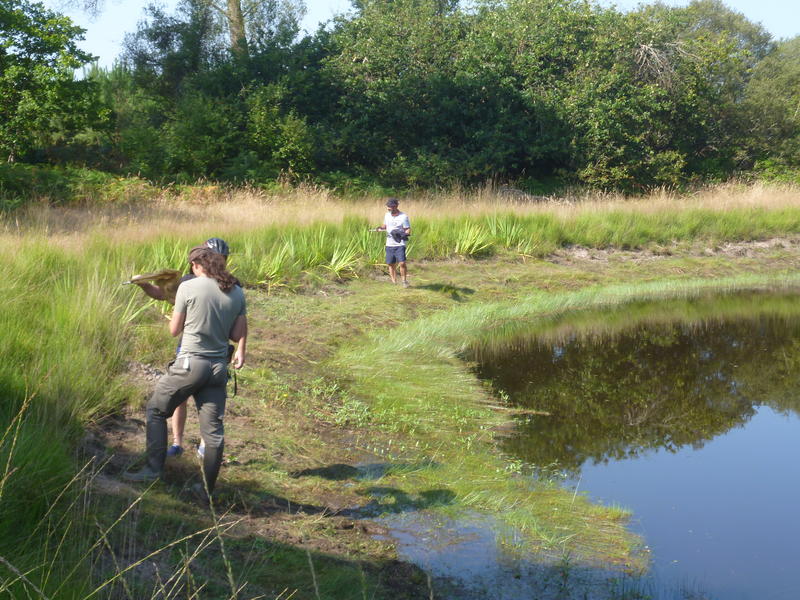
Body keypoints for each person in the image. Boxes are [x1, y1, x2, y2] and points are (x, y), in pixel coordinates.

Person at [124, 247, 247, 500]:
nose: (191, 268)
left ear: (197, 265)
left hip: (190, 364)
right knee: (213, 433)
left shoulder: (187, 288)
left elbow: (173, 330)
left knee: (156, 410)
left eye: (192, 264)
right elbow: (236, 335)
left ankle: (152, 470)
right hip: (217, 370)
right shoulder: (236, 292)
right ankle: (206, 490)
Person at [134, 237, 231, 459]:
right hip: (190, 349)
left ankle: (205, 448)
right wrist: (146, 285)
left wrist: (240, 347)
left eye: (223, 259)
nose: (219, 263)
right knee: (181, 398)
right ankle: (177, 443)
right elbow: (165, 295)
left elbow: (238, 322)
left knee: (210, 407)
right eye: (216, 258)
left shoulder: (230, 285)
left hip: (215, 351)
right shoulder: (189, 281)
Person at [376, 197, 411, 287]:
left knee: (402, 263)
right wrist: (380, 228)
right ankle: (394, 282)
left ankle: (404, 281)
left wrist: (404, 235)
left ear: (395, 206)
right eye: (387, 207)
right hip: (389, 243)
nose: (388, 208)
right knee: (390, 263)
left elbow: (407, 229)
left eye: (390, 207)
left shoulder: (403, 217)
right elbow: (385, 225)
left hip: (400, 243)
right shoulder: (387, 215)